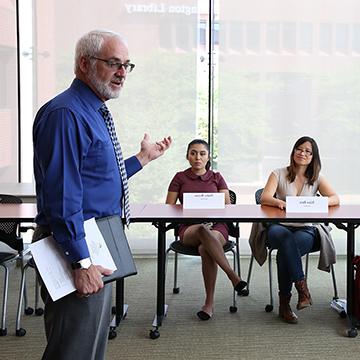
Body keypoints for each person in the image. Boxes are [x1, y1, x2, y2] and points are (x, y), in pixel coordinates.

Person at [32, 30, 171, 360]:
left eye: (127, 65)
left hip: (93, 243)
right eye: (113, 63)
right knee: (73, 350)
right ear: (84, 63)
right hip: (75, 248)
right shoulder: (67, 115)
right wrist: (80, 262)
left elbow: (99, 178)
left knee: (88, 346)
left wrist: (143, 159)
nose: (122, 72)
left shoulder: (92, 111)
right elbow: (64, 195)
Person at [250, 136, 339, 324]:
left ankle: (284, 305)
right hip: (278, 227)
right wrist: (279, 202)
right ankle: (302, 289)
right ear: (293, 152)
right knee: (284, 240)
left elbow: (335, 199)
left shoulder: (316, 178)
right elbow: (265, 197)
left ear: (313, 157)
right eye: (299, 149)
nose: (303, 153)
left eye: (308, 151)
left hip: (306, 229)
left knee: (285, 252)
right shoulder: (278, 173)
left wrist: (317, 202)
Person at [165, 139, 247, 320]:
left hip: (217, 226)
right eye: (193, 153)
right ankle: (233, 276)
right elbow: (168, 207)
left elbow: (227, 207)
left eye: (202, 153)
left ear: (208, 156)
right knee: (202, 230)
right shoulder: (179, 177)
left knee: (205, 248)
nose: (197, 157)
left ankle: (209, 303)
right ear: (187, 156)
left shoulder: (217, 177)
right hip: (189, 228)